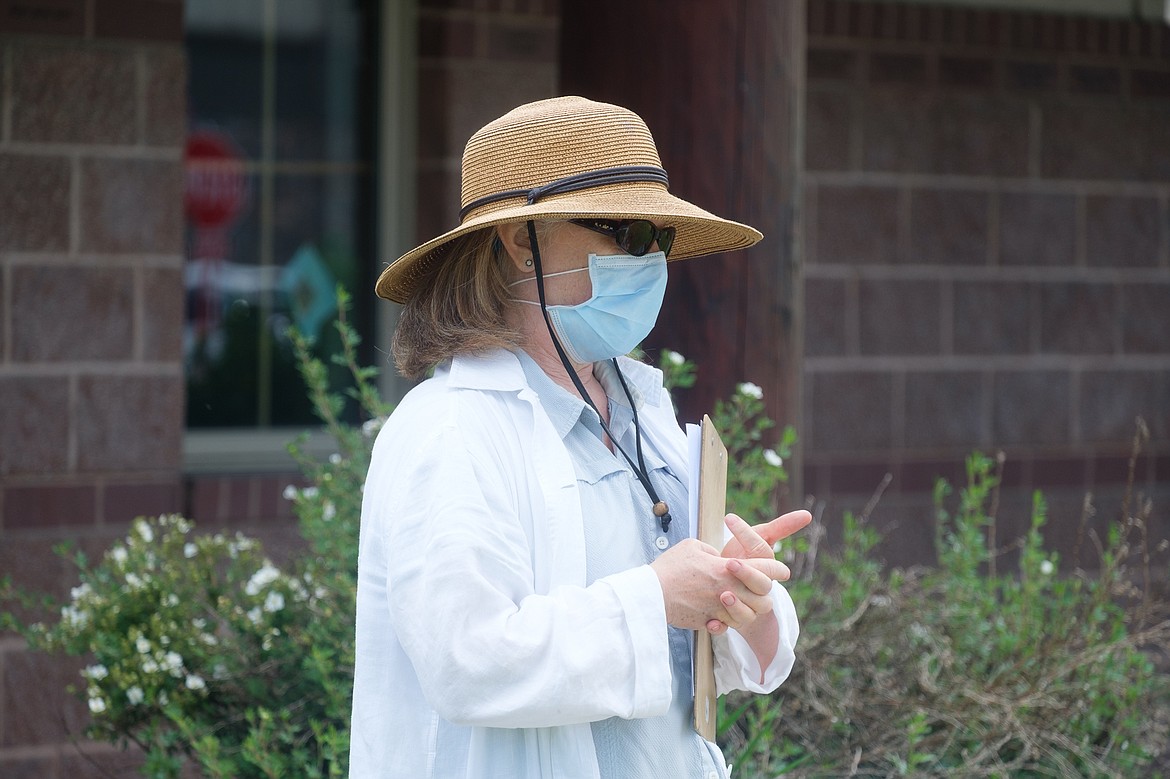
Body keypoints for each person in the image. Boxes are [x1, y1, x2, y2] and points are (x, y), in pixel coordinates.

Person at [349, 95, 811, 778]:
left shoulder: (640, 408)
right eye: (623, 231)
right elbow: (467, 660)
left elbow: (682, 654)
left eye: (659, 236)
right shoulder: (447, 430)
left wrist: (743, 602)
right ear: (517, 237)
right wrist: (656, 595)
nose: (648, 258)